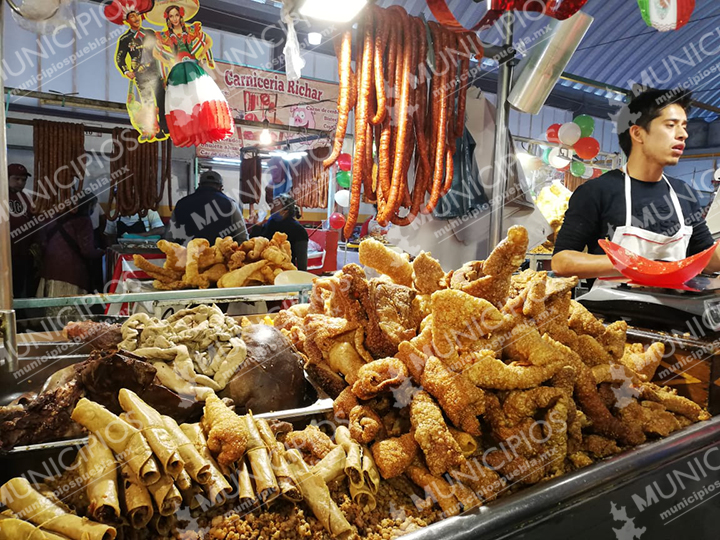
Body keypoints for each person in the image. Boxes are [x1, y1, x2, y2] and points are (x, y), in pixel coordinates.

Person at [552, 88, 720, 280]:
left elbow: (707, 260)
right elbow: (561, 261)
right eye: (671, 125)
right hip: (612, 309)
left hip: (674, 309)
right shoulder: (596, 192)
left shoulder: (683, 193)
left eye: (684, 126)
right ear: (638, 133)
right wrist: (634, 264)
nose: (683, 134)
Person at [112, 4, 167, 141]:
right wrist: (126, 71)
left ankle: (165, 127)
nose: (136, 18)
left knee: (162, 99)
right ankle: (152, 129)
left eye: (137, 15)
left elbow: (161, 52)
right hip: (141, 74)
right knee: (148, 102)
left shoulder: (150, 33)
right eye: (132, 16)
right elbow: (120, 58)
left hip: (155, 71)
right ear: (127, 21)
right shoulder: (125, 39)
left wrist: (164, 74)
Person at [38, 193, 105, 297]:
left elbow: (42, 240)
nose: (94, 209)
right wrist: (102, 252)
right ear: (88, 206)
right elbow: (87, 251)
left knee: (49, 309)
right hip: (70, 274)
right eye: (93, 206)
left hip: (49, 269)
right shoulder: (83, 221)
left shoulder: (55, 216)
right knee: (68, 310)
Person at [166, 170, 248, 244]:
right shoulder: (230, 204)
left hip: (188, 257)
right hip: (219, 258)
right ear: (220, 187)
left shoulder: (181, 203)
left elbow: (169, 237)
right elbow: (243, 238)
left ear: (199, 185)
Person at [250, 193, 308, 271]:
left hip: (286, 271)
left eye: (275, 206)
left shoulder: (299, 230)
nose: (271, 209)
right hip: (264, 268)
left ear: (285, 211)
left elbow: (302, 262)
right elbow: (254, 244)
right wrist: (257, 226)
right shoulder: (270, 223)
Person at [7, 163, 40, 298]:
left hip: (22, 254)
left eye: (23, 180)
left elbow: (34, 222)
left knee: (19, 287)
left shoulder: (26, 198)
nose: (20, 183)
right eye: (16, 179)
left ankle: (18, 314)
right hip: (5, 254)